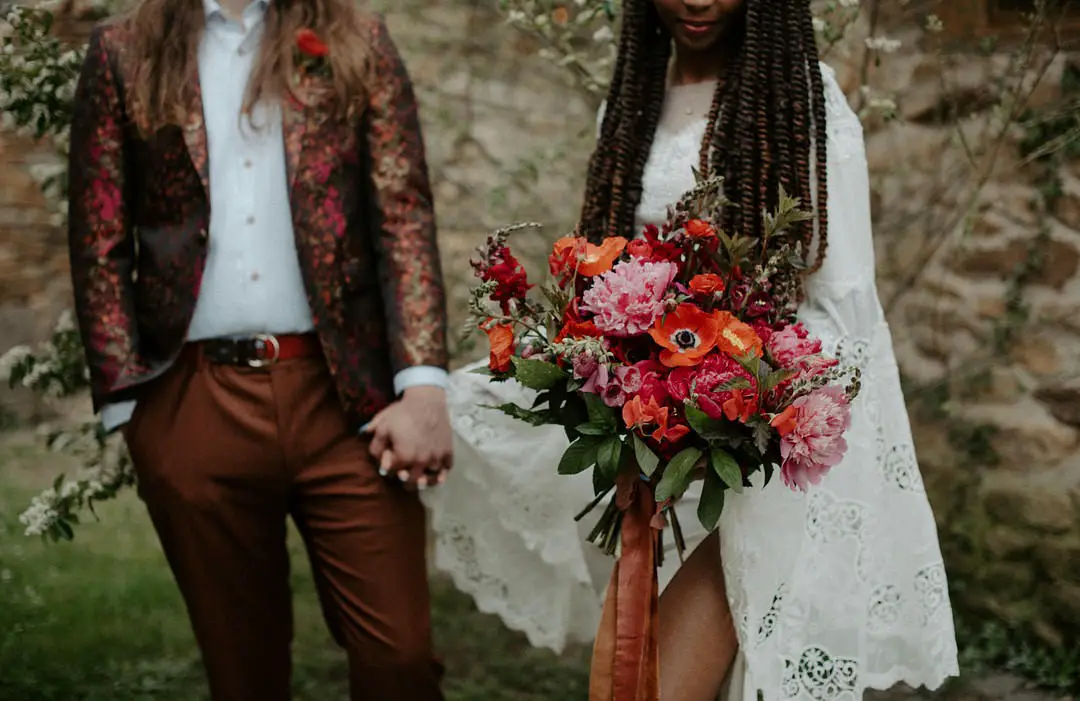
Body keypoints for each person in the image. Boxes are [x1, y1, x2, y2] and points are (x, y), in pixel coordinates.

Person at [426, 0, 960, 699]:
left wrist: (743, 399)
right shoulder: (632, 104)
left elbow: (844, 307)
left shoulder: (802, 100)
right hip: (655, 447)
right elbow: (611, 272)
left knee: (653, 687)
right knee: (624, 679)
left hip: (757, 458)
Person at [66, 0, 452, 697]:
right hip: (193, 402)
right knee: (243, 673)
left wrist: (422, 382)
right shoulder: (125, 50)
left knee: (401, 658)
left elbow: (402, 212)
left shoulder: (354, 39)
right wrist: (131, 409)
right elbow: (98, 233)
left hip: (348, 402)